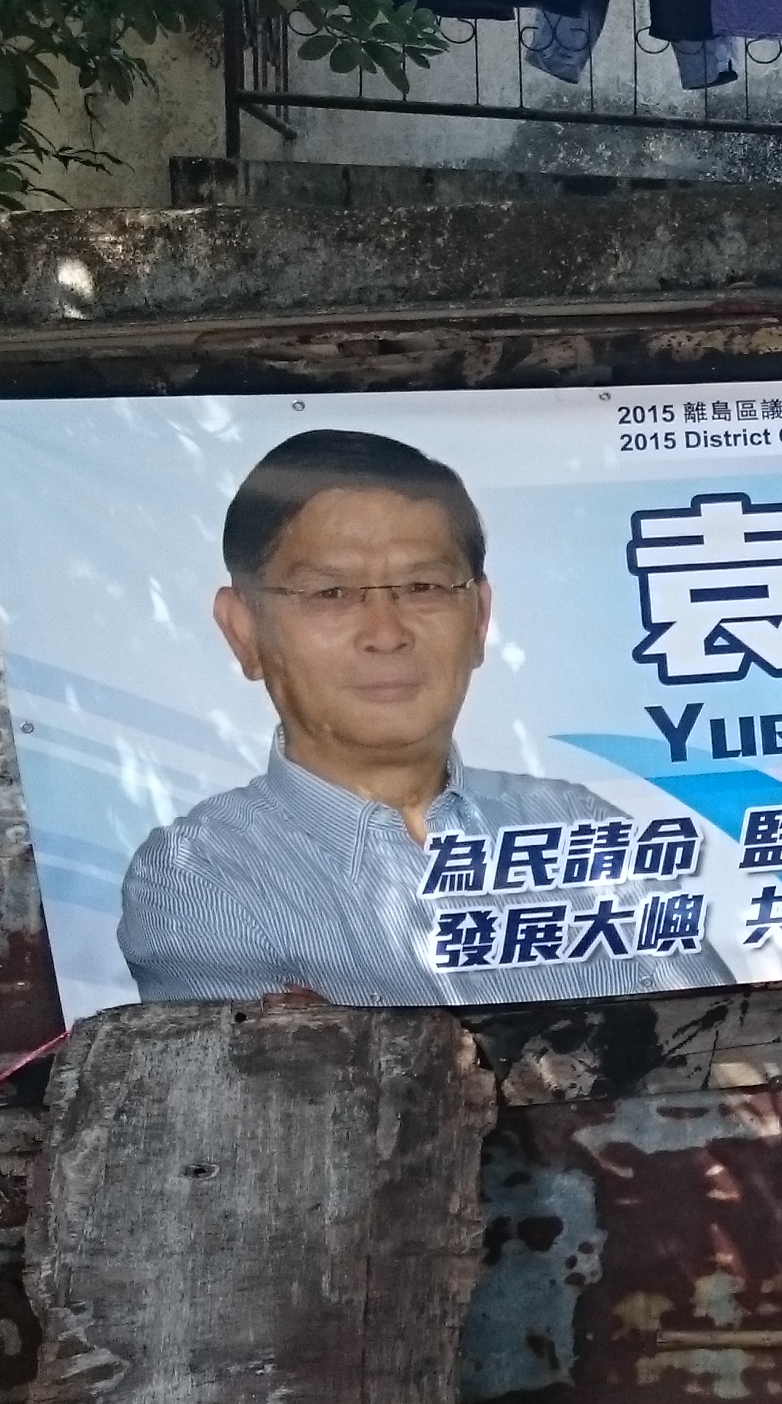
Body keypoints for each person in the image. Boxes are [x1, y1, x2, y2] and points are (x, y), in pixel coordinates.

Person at [117, 429, 727, 1004]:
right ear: (243, 630)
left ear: (480, 618)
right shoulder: (198, 875)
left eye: (424, 588)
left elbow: (728, 1046)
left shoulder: (578, 825)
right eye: (331, 593)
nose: (387, 634)